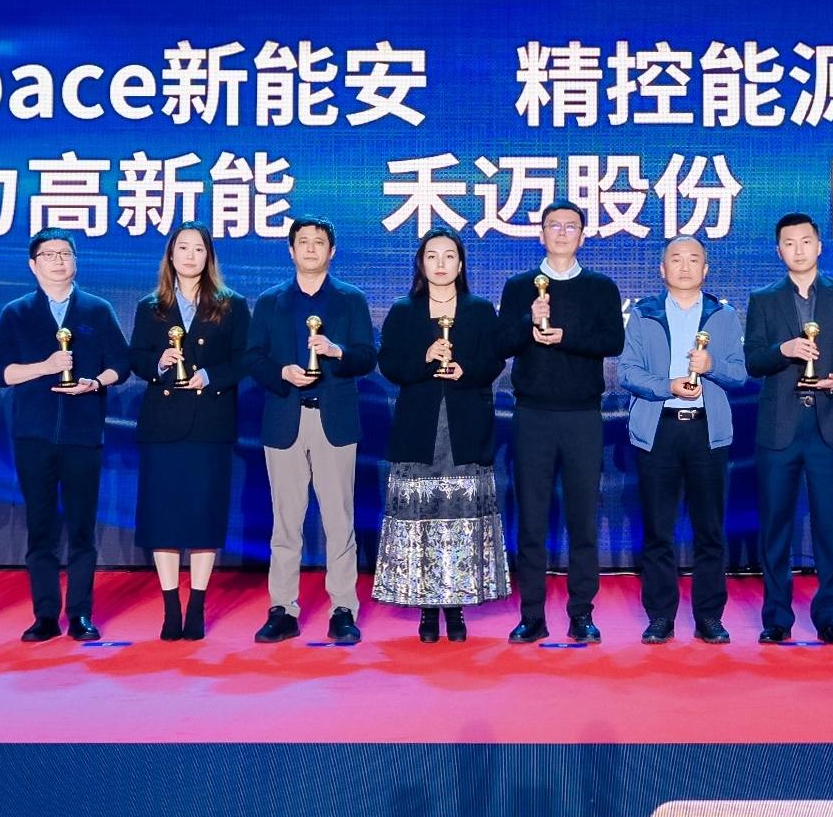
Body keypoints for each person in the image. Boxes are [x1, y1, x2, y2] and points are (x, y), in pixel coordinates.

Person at [243, 218, 382, 646]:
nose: (310, 248)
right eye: (302, 242)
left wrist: (338, 352)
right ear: (290, 250)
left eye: (318, 242)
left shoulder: (351, 299)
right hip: (285, 418)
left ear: (331, 251)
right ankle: (282, 609)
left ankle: (343, 608)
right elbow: (253, 357)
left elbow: (367, 356)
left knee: (339, 519)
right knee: (286, 521)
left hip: (333, 420)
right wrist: (282, 373)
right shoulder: (270, 301)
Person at [0, 232, 130, 643]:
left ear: (75, 261)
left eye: (65, 253)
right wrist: (45, 366)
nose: (58, 260)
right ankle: (45, 614)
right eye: (48, 255)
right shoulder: (17, 312)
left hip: (83, 434)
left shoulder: (97, 310)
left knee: (83, 528)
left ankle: (81, 614)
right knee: (41, 528)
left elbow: (120, 365)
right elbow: (0, 373)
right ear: (33, 265)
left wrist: (95, 383)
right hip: (33, 436)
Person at [493, 202, 624, 644]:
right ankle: (532, 615)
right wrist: (527, 323)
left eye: (571, 226)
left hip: (583, 415)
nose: (562, 232)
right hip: (532, 415)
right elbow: (502, 345)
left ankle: (581, 613)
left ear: (583, 236)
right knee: (531, 519)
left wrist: (566, 336)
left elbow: (613, 340)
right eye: (554, 226)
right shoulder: (519, 287)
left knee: (583, 518)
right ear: (541, 234)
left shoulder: (601, 287)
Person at [372, 230, 511, 641]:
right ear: (421, 263)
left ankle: (457, 607)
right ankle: (427, 610)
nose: (440, 263)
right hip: (419, 430)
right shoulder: (404, 310)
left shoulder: (479, 310)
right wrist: (424, 358)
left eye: (449, 256)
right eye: (432, 256)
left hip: (466, 427)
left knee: (460, 519)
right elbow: (389, 364)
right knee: (422, 519)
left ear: (460, 264)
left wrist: (465, 369)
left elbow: (494, 361)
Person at [741, 213, 833, 644]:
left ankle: (832, 617)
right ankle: (777, 618)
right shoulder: (763, 299)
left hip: (828, 425)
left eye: (806, 241)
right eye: (789, 243)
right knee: (775, 526)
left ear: (819, 246)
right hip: (779, 428)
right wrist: (785, 349)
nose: (799, 249)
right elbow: (754, 360)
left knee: (830, 525)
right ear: (779, 251)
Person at [620, 235, 749, 644]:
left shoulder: (723, 315)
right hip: (658, 429)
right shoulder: (644, 313)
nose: (685, 266)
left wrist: (712, 365)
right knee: (658, 530)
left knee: (710, 529)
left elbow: (739, 374)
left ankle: (709, 616)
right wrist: (667, 386)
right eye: (676, 259)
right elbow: (627, 372)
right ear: (663, 269)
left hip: (707, 431)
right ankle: (661, 616)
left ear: (705, 269)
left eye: (694, 259)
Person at [130, 225, 249, 641]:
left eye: (199, 249)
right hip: (162, 426)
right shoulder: (151, 306)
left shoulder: (231, 305)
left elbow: (244, 360)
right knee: (162, 518)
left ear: (208, 257)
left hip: (209, 424)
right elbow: (136, 358)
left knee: (203, 516)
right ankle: (170, 607)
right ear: (170, 255)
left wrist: (210, 376)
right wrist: (159, 363)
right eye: (183, 248)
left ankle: (196, 605)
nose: (190, 255)